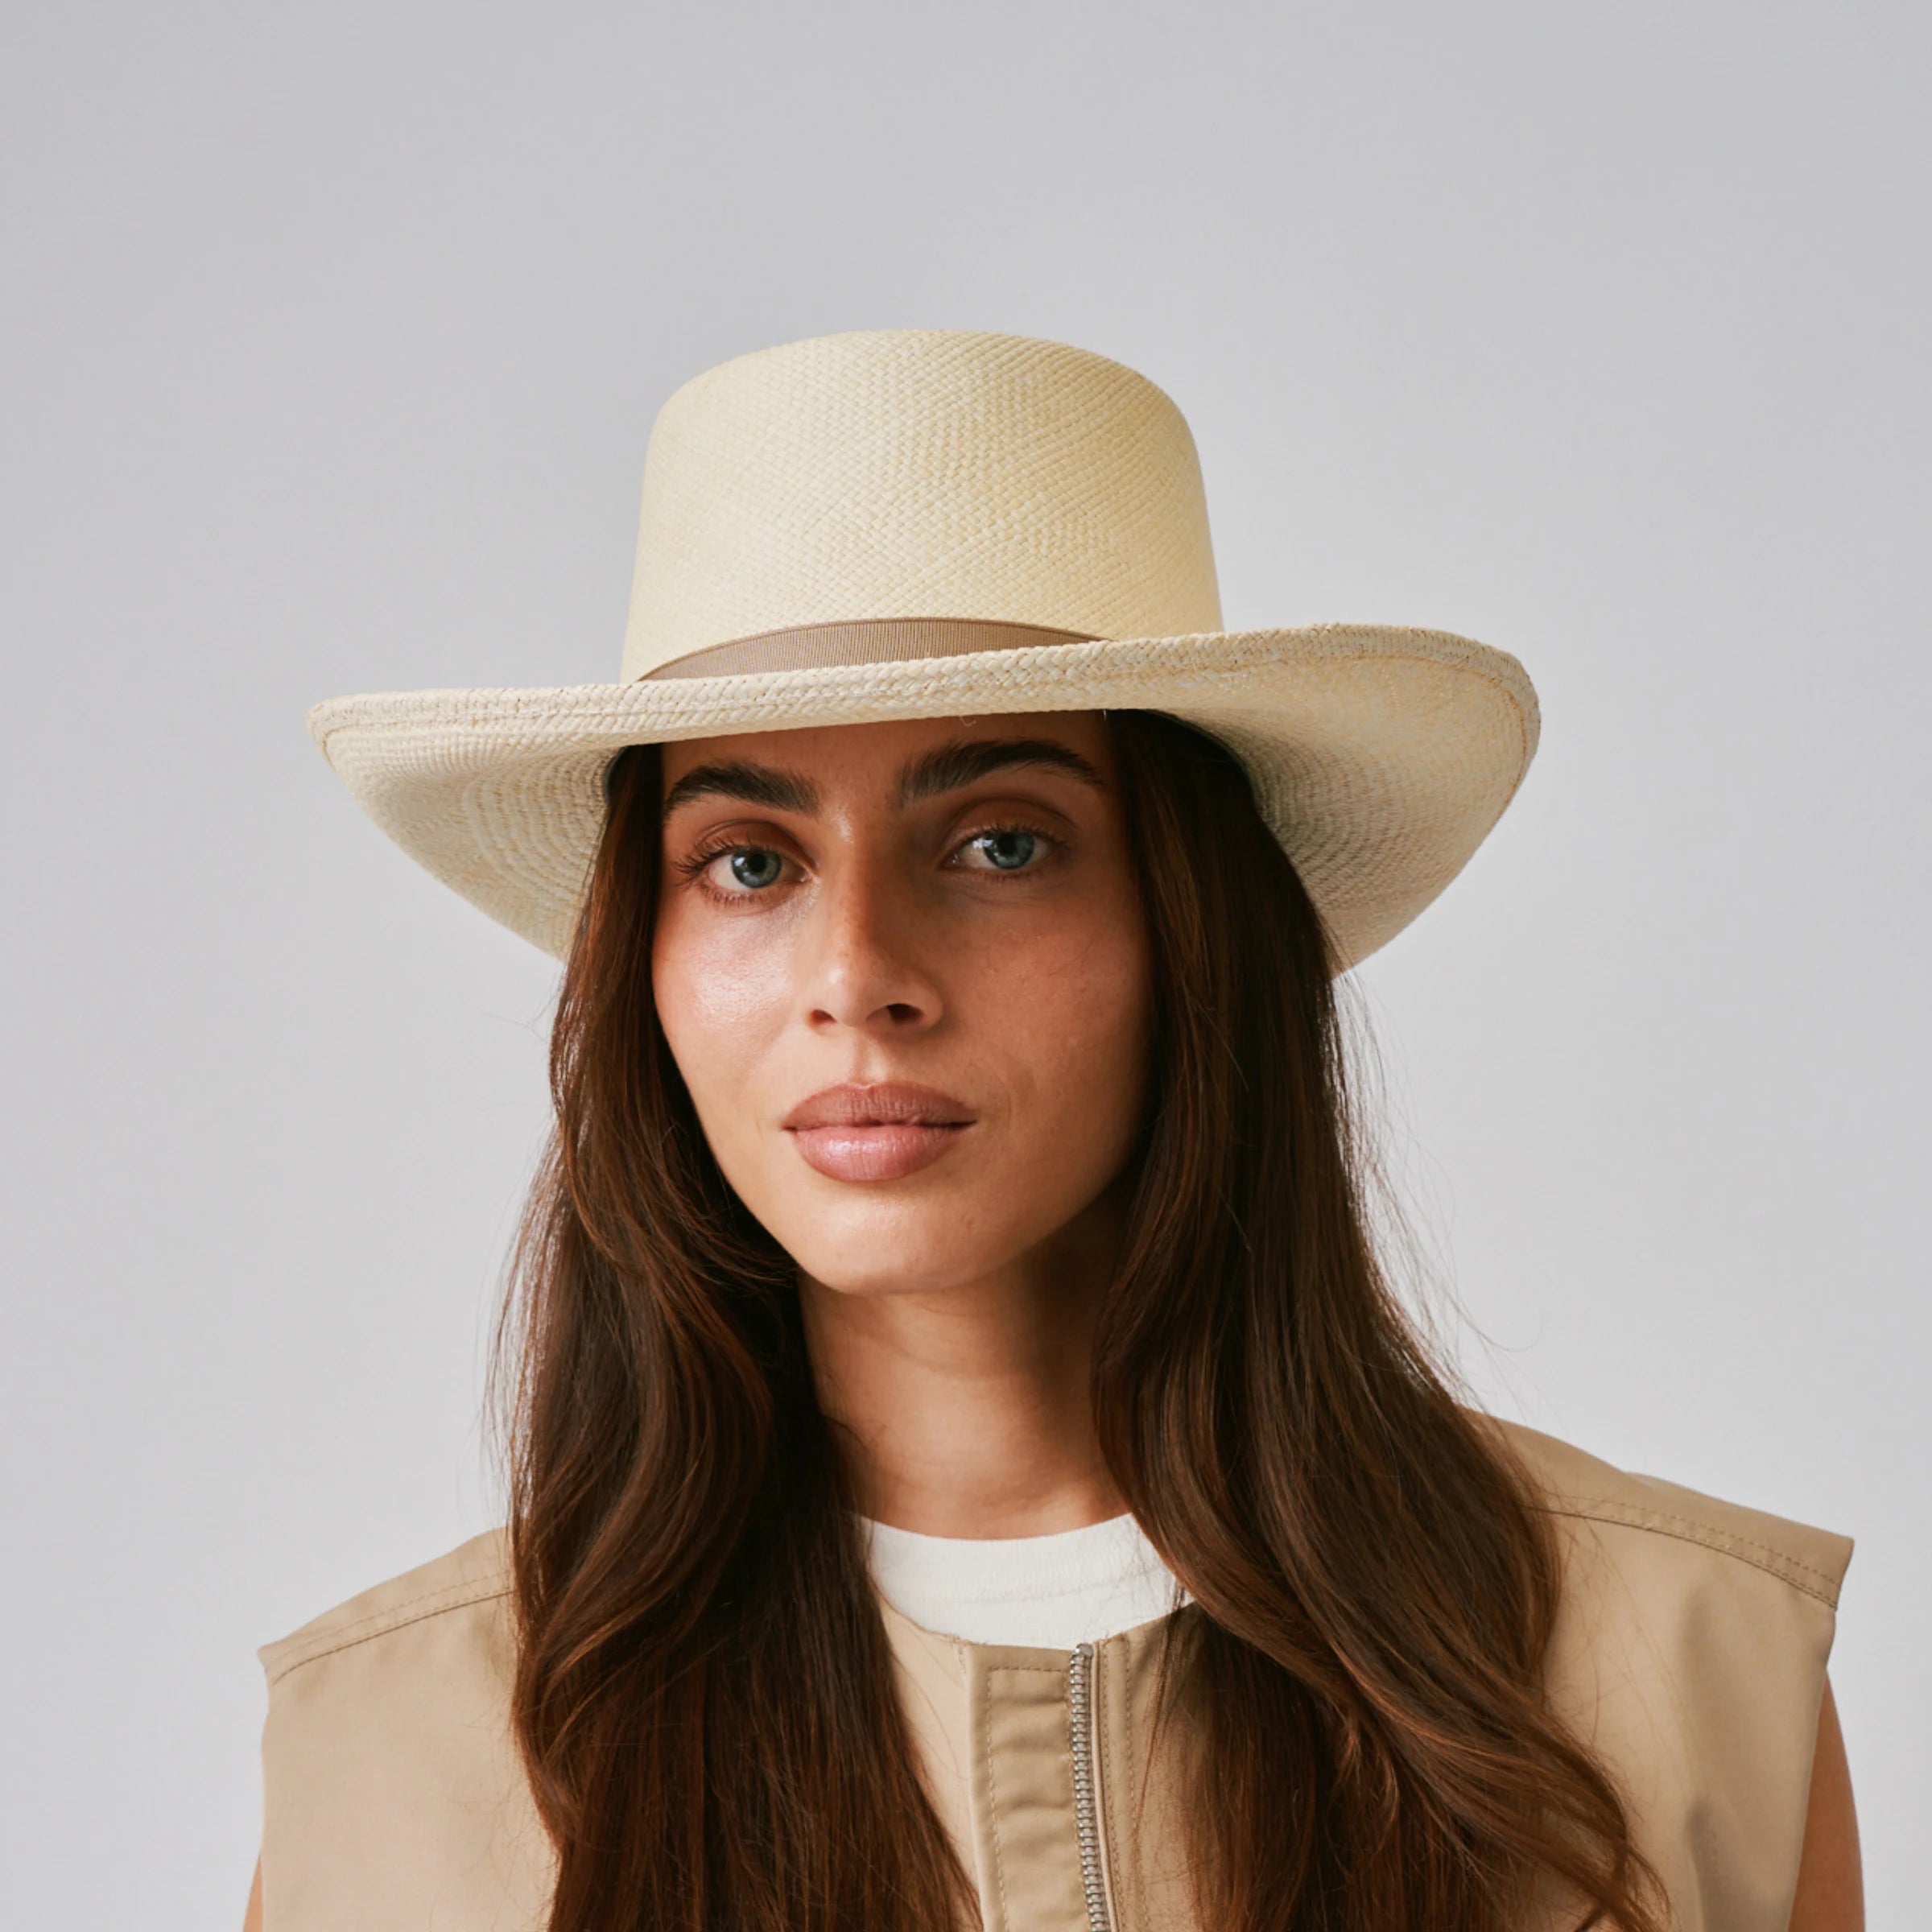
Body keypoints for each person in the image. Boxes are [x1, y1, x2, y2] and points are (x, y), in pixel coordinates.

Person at [245, 330, 1860, 1932]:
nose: (861, 975)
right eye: (748, 860)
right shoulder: (393, 1763)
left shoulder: (1689, 1680)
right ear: (640, 959)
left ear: (1191, 918)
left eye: (1003, 842)